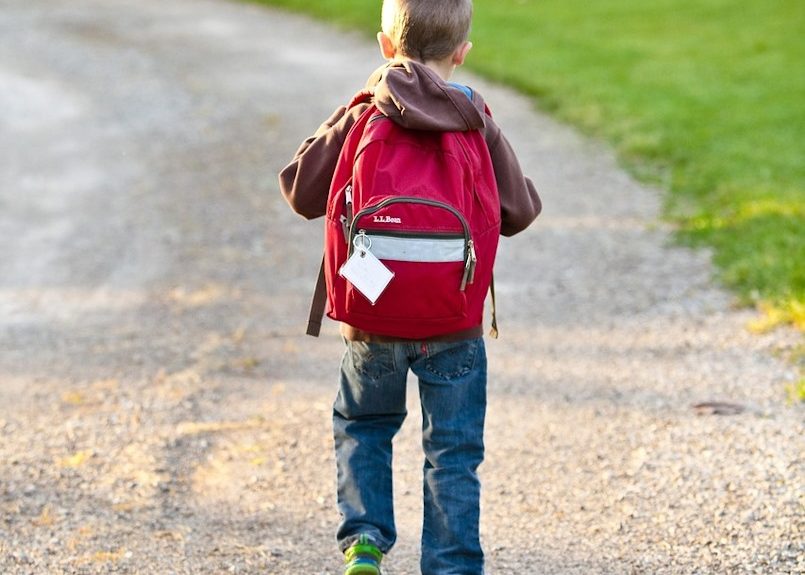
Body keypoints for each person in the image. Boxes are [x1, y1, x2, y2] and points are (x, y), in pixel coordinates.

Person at [278, 1, 541, 573]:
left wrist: (352, 108)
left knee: (363, 426)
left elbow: (300, 191)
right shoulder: (475, 115)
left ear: (384, 45)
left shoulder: (365, 111)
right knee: (452, 452)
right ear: (462, 53)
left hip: (372, 314)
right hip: (454, 322)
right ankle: (450, 564)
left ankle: (366, 542)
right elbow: (520, 212)